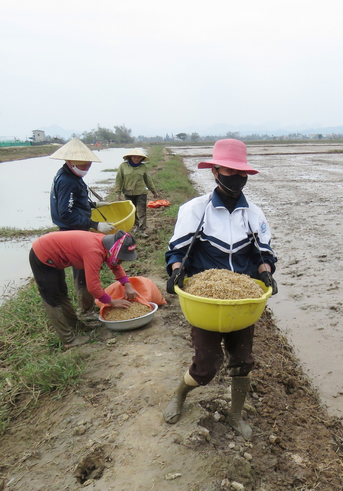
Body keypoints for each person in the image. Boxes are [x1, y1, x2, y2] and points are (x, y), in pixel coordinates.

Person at [163, 139, 278, 439]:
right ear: (215, 171)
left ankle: (235, 415)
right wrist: (176, 272)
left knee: (243, 361)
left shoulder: (254, 215)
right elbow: (177, 253)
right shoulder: (196, 210)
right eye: (230, 171)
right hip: (206, 301)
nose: (236, 177)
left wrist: (266, 274)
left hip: (241, 302)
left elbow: (262, 256)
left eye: (242, 172)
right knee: (207, 364)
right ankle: (180, 394)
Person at [29, 230, 138, 348]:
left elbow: (114, 264)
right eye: (121, 257)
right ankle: (68, 340)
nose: (121, 260)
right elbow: (93, 287)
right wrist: (112, 302)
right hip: (43, 254)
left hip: (55, 254)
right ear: (114, 249)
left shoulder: (108, 245)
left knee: (62, 294)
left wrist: (127, 285)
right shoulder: (94, 251)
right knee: (53, 299)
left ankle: (75, 326)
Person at [50, 137, 115, 319]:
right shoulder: (67, 181)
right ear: (70, 162)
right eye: (83, 165)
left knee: (85, 270)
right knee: (85, 271)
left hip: (76, 229)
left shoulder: (71, 175)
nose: (86, 168)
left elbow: (75, 202)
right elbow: (66, 214)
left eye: (88, 165)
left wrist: (94, 205)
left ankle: (86, 307)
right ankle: (85, 312)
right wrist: (94, 225)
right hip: (72, 231)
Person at [114, 148, 158, 238]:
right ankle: (136, 226)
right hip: (128, 192)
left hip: (141, 192)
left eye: (138, 158)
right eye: (134, 157)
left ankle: (142, 230)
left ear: (141, 159)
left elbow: (148, 180)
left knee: (142, 212)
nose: (136, 159)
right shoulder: (123, 166)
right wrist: (118, 192)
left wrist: (153, 191)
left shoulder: (143, 167)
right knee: (132, 211)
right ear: (130, 157)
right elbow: (119, 180)